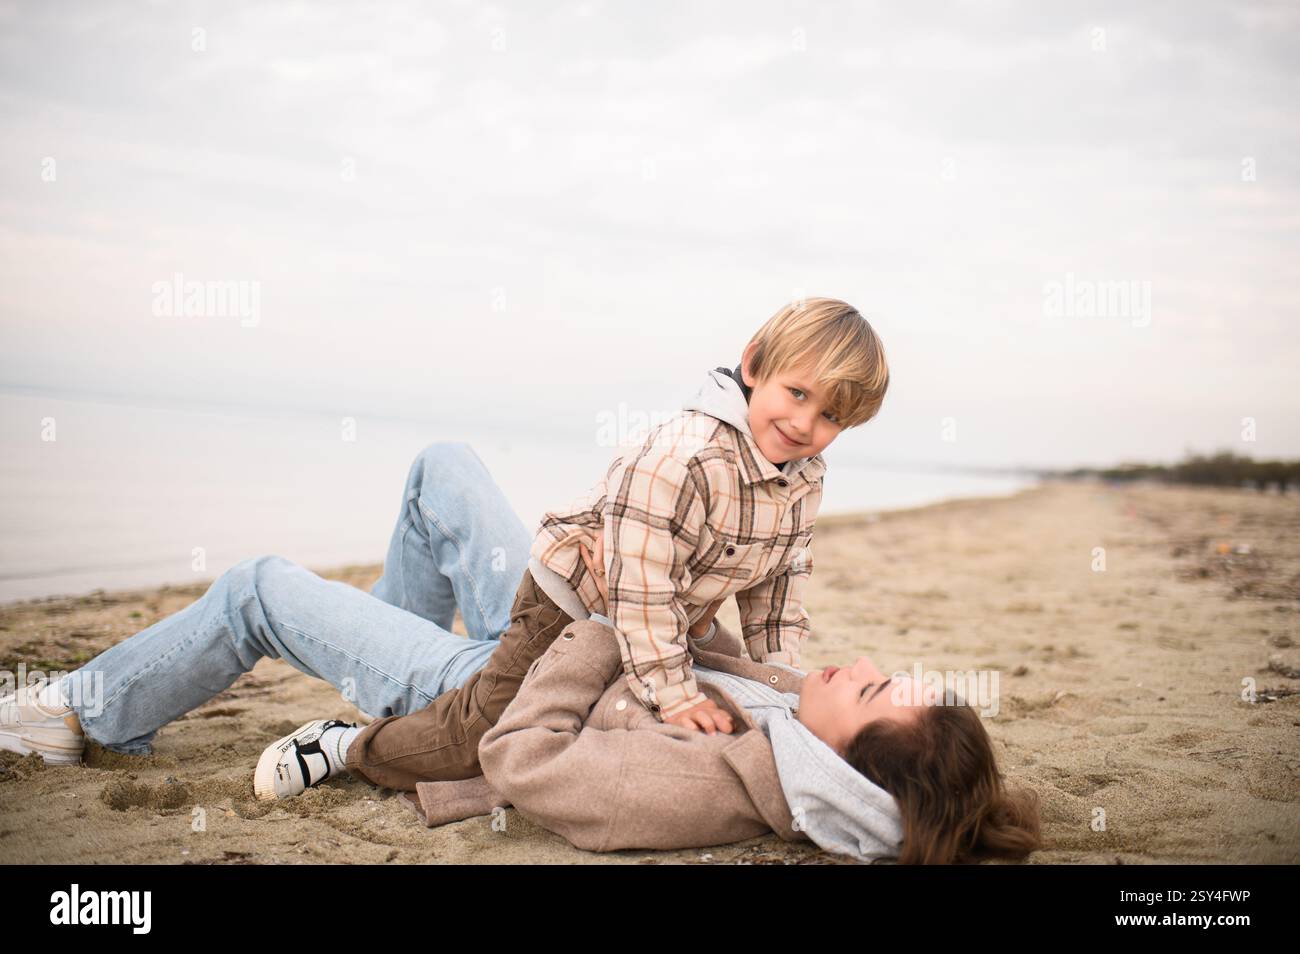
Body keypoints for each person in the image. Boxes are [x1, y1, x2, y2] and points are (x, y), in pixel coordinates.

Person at [403, 549, 1044, 865]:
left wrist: (606, 619)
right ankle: (403, 633)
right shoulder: (795, 729)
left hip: (517, 682)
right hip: (565, 637)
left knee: (304, 599)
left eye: (871, 691)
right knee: (443, 468)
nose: (864, 666)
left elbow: (521, 756)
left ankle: (401, 705)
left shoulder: (691, 786)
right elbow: (726, 678)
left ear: (844, 766)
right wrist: (698, 623)